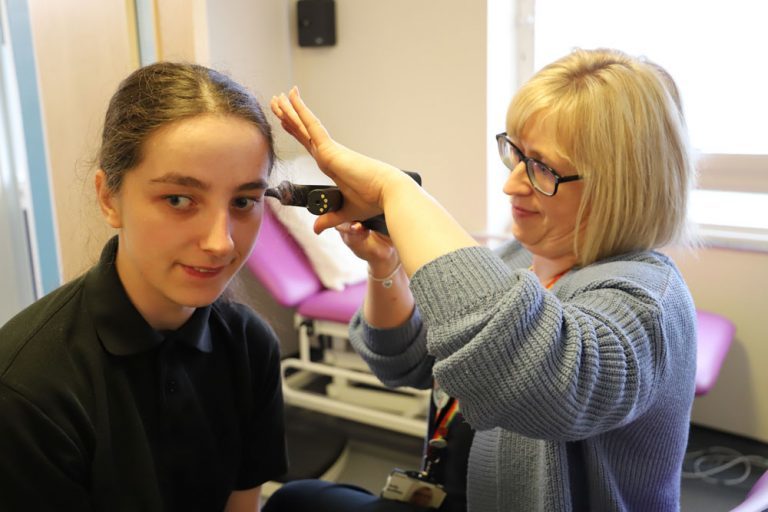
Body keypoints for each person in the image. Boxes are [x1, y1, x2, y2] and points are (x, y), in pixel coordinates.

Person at [264, 48, 697, 512]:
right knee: (296, 500)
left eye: (542, 168)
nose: (512, 184)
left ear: (620, 184)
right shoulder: (518, 257)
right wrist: (384, 268)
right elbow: (404, 360)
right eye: (516, 154)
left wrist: (399, 193)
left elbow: (539, 379)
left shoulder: (648, 302)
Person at [0, 62, 287, 511]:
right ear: (108, 197)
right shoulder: (28, 388)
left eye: (244, 201)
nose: (220, 242)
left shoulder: (251, 346)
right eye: (178, 199)